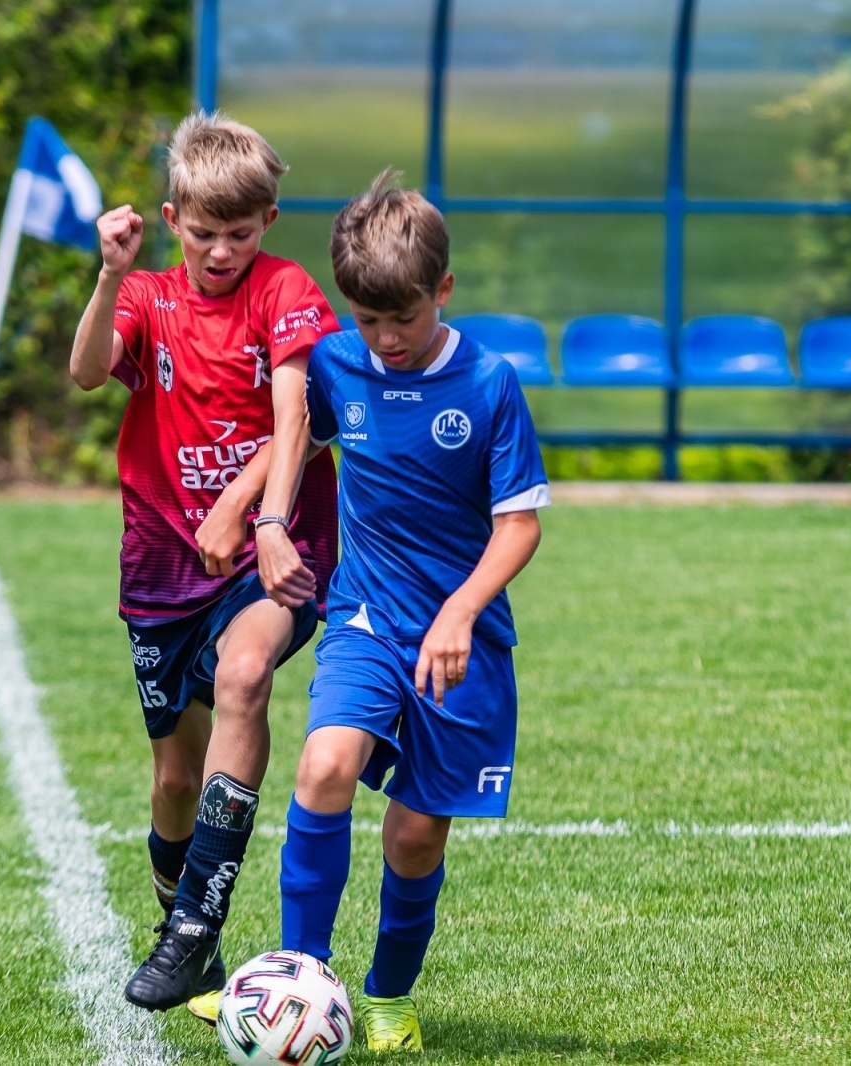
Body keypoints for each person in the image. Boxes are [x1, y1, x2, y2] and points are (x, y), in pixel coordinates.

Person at [67, 111, 339, 1017]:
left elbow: (296, 412)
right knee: (174, 782)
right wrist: (108, 274)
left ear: (267, 221)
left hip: (274, 550)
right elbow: (86, 369)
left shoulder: (286, 291)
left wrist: (256, 515)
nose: (222, 250)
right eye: (204, 231)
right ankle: (185, 933)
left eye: (241, 231)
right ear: (172, 216)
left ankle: (190, 932)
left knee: (246, 672)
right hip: (158, 566)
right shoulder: (146, 295)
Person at [275, 172, 548, 1051]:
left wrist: (462, 610)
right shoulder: (335, 361)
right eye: (368, 321)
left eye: (404, 319)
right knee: (323, 768)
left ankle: (388, 992)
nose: (386, 340)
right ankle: (300, 978)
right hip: (365, 614)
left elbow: (520, 526)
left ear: (444, 291)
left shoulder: (489, 383)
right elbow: (294, 438)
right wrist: (262, 518)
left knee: (416, 832)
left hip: (459, 637)